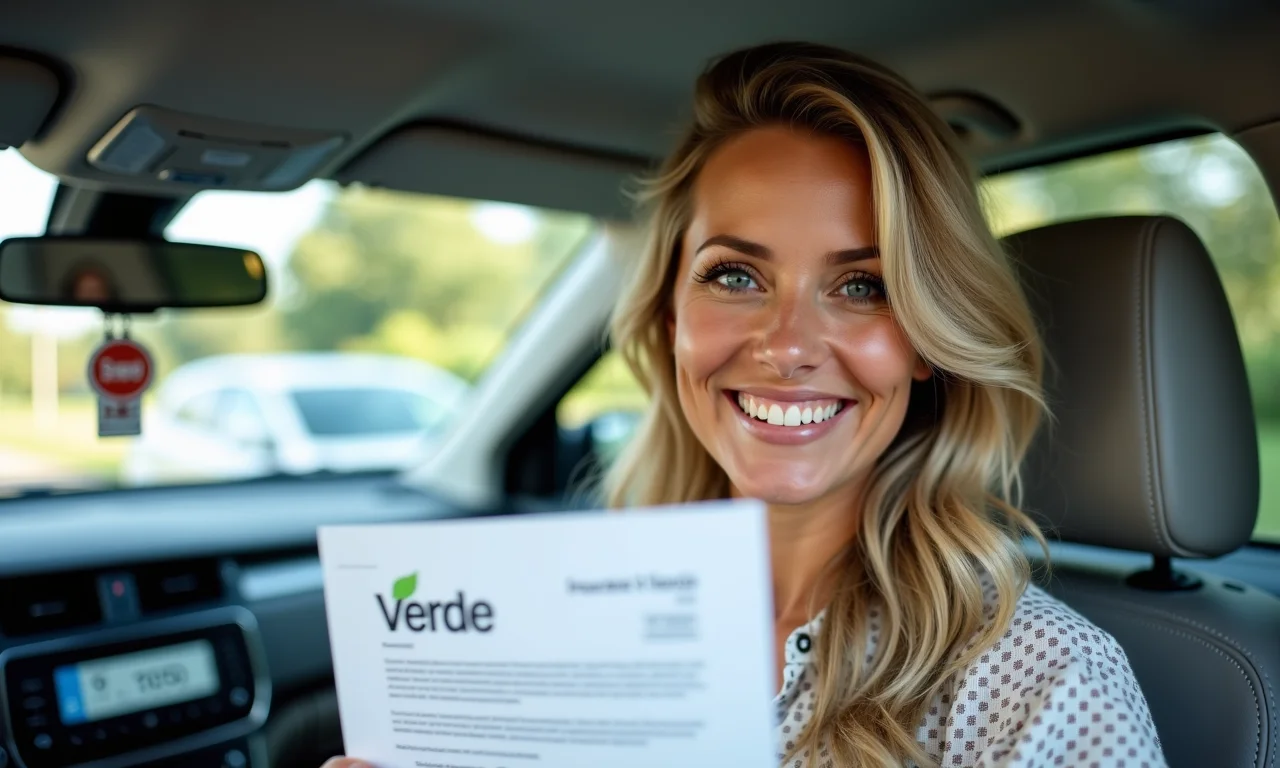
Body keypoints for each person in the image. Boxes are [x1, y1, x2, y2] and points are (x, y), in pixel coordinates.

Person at [323, 42, 1165, 767]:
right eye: (735, 275)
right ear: (670, 316)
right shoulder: (557, 628)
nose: (788, 344)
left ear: (928, 348)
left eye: (862, 285)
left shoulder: (1037, 681)